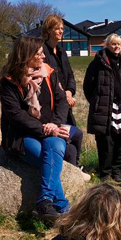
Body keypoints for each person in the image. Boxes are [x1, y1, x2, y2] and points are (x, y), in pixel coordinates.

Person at [0, 35, 71, 222]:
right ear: (26, 55)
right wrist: (46, 129)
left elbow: (62, 101)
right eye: (38, 54)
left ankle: (45, 201)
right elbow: (15, 115)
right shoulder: (9, 81)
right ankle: (62, 206)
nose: (43, 57)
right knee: (47, 158)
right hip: (22, 136)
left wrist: (55, 125)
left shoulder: (48, 73)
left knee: (55, 148)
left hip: (50, 131)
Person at [83, 33, 121, 183]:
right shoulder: (97, 63)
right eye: (113, 44)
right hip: (105, 107)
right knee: (105, 141)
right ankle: (105, 172)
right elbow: (88, 86)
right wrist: (97, 101)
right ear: (107, 45)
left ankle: (117, 171)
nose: (117, 47)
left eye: (119, 44)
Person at [41, 15, 83, 165]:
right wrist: (61, 93)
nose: (60, 31)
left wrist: (69, 91)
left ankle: (73, 168)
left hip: (64, 105)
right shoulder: (42, 52)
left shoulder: (61, 52)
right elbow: (47, 79)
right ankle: (67, 170)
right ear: (49, 30)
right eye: (57, 28)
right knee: (66, 139)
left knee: (73, 137)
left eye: (62, 29)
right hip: (51, 106)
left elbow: (70, 75)